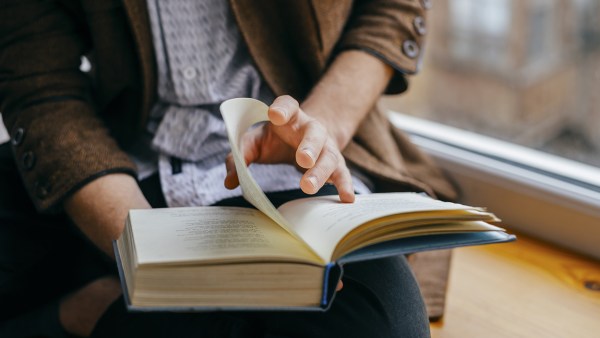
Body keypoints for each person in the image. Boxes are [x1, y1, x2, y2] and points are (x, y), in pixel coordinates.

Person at [0, 0, 456, 337]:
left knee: (379, 324)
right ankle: (98, 312)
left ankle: (93, 313)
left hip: (293, 167)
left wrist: (322, 128)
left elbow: (390, 9)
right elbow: (42, 86)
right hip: (120, 167)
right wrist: (148, 254)